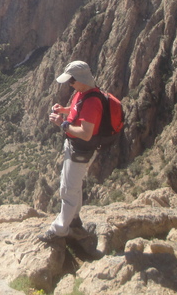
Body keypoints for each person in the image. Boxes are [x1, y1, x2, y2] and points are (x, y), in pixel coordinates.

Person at [39, 60, 104, 243]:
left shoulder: (92, 102)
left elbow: (85, 133)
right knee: (72, 186)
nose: (70, 84)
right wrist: (64, 110)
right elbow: (77, 111)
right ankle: (74, 221)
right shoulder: (83, 93)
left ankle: (59, 231)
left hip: (80, 150)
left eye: (71, 81)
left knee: (68, 191)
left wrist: (62, 124)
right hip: (74, 148)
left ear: (81, 79)